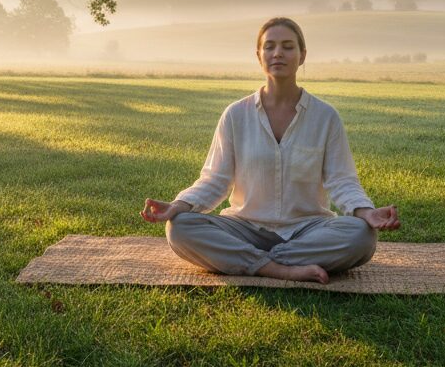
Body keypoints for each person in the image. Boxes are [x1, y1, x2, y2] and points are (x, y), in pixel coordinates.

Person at [140, 17, 400, 284]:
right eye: (269, 47)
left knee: (361, 236)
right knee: (181, 227)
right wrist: (177, 206)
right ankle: (279, 269)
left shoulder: (325, 117)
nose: (278, 53)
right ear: (259, 55)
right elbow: (214, 180)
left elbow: (342, 181)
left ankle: (249, 260)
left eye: (288, 46)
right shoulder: (235, 115)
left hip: (308, 229)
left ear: (302, 56)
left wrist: (366, 212)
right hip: (244, 227)